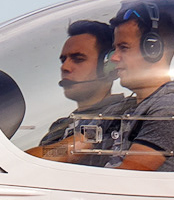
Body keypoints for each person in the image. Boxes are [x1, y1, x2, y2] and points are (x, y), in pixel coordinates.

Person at [85, 7, 174, 171]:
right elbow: (75, 144)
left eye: (124, 48)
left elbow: (127, 178)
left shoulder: (172, 108)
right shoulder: (120, 109)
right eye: (115, 49)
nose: (113, 57)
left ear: (153, 49)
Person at [27, 20, 128, 163]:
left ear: (108, 67)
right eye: (63, 60)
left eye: (78, 59)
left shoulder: (124, 115)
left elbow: (51, 156)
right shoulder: (60, 126)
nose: (65, 67)